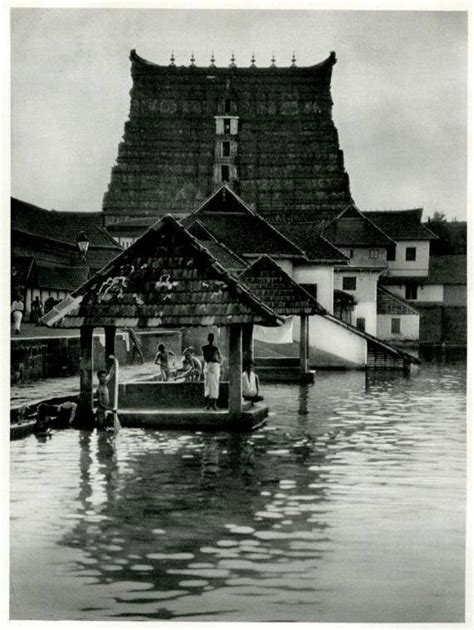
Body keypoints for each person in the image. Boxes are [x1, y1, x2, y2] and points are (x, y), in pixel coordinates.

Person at [201, 333, 222, 410]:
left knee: (215, 385)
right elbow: (206, 358)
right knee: (207, 385)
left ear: (213, 339)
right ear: (207, 338)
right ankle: (207, 405)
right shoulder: (205, 348)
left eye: (212, 337)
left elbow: (220, 358)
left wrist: (217, 361)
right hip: (208, 366)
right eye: (209, 337)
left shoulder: (216, 348)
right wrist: (213, 358)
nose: (210, 339)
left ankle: (214, 404)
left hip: (215, 367)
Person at [96, 360, 116, 429]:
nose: (104, 378)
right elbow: (100, 404)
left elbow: (111, 374)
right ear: (98, 378)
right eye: (102, 377)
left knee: (105, 430)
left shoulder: (105, 383)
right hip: (100, 413)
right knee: (101, 429)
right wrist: (110, 409)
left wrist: (114, 363)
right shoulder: (99, 389)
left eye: (104, 377)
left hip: (105, 411)